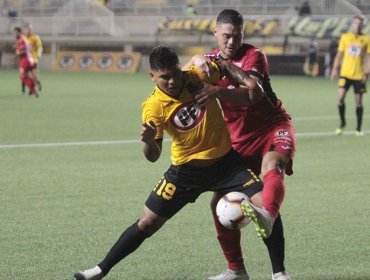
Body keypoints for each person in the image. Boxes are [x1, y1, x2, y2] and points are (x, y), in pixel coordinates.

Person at [72, 46, 271, 280]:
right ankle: (99, 270)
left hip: (226, 164)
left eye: (175, 73)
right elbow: (153, 155)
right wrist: (148, 142)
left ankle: (278, 273)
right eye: (165, 77)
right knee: (146, 223)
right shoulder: (153, 107)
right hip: (185, 172)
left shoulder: (195, 76)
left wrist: (246, 80)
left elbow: (225, 66)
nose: (173, 81)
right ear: (152, 77)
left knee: (267, 207)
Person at [183, 9, 296, 280]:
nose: (232, 42)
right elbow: (181, 79)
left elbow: (252, 95)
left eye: (237, 36)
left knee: (272, 171)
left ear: (242, 34)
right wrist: (192, 63)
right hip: (239, 140)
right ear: (216, 34)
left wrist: (217, 91)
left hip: (272, 126)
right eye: (226, 36)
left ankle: (279, 273)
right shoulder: (208, 62)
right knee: (218, 204)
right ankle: (236, 270)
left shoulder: (254, 55)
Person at [330, 15, 370, 137]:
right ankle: (342, 122)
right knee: (340, 98)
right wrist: (334, 69)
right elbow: (339, 55)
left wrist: (367, 72)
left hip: (359, 75)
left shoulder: (366, 39)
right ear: (352, 24)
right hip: (345, 74)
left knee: (358, 102)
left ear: (362, 25)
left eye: (359, 24)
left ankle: (358, 128)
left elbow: (369, 57)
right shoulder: (345, 37)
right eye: (355, 23)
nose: (357, 25)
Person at [13, 27, 39, 98]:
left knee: (23, 77)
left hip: (25, 61)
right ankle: (34, 82)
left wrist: (15, 56)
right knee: (26, 76)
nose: (14, 34)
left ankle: (34, 91)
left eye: (15, 32)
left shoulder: (21, 40)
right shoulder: (22, 40)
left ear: (18, 32)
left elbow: (24, 51)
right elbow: (26, 48)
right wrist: (16, 48)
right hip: (28, 60)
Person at [22, 23, 43, 94]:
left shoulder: (35, 37)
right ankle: (24, 90)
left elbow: (39, 47)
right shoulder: (23, 37)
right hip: (25, 59)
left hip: (33, 59)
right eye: (25, 29)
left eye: (27, 29)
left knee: (33, 76)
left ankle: (36, 83)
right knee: (24, 75)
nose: (26, 30)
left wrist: (38, 55)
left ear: (30, 29)